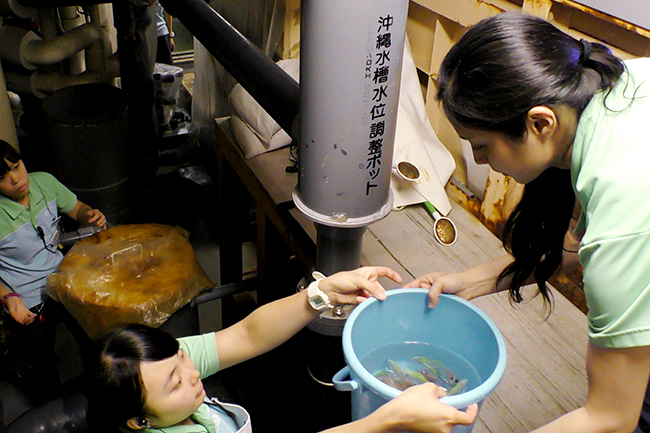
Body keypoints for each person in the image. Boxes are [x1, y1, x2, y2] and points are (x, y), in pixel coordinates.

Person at [405, 11, 650, 433]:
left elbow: (610, 417)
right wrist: (477, 280)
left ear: (539, 123)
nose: (479, 160)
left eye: (481, 145)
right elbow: (588, 243)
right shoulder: (609, 88)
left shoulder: (623, 201)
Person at [93, 266, 479, 433]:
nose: (192, 373)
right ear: (139, 422)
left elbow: (246, 335)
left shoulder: (159, 366)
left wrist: (320, 294)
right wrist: (389, 420)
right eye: (175, 385)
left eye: (182, 357)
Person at [0, 139, 106, 404]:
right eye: (2, 177)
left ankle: (101, 392)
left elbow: (78, 209)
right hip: (26, 298)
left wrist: (90, 214)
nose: (16, 179)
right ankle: (52, 406)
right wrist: (7, 298)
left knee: (96, 334)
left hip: (63, 278)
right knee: (40, 361)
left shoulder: (44, 182)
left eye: (16, 166)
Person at [155, 1, 174, 65]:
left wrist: (170, 35)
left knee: (168, 67)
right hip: (143, 34)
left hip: (160, 31)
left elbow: (167, 12)